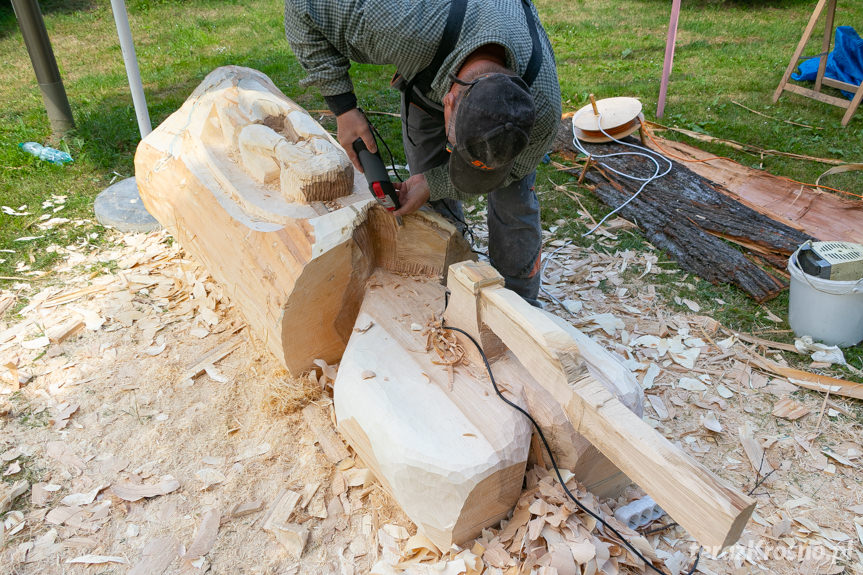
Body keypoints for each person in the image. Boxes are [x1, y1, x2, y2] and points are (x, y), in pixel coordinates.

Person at [284, 0, 561, 306]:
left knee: (514, 201)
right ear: (450, 102)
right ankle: (445, 281)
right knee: (432, 208)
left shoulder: (543, 109)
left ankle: (520, 305)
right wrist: (343, 107)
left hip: (475, 51)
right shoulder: (397, 25)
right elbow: (302, 7)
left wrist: (435, 181)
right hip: (432, 61)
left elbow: (515, 168)